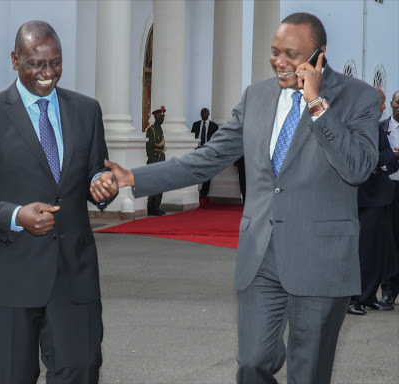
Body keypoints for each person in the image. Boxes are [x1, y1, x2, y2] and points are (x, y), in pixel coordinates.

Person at [93, 12, 380, 384]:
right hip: (261, 256)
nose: (280, 62)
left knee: (308, 373)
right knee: (252, 363)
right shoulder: (257, 97)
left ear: (319, 55)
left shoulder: (357, 98)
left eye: (292, 54)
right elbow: (207, 159)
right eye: (275, 52)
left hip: (321, 260)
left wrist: (317, 105)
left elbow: (357, 168)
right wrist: (133, 177)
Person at [0, 21, 118, 384]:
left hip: (74, 275)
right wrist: (14, 216)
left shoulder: (86, 111)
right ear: (15, 60)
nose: (47, 73)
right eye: (36, 64)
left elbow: (92, 174)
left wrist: (102, 186)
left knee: (81, 371)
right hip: (9, 277)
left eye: (55, 63)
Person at [347, 88, 397, 315]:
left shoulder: (376, 128)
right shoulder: (355, 127)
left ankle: (368, 296)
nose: (384, 107)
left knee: (379, 251)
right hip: (364, 200)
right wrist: (380, 160)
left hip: (382, 198)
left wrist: (381, 161)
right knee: (363, 252)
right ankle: (353, 299)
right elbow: (361, 159)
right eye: (382, 103)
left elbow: (390, 161)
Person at [380, 90, 399, 305]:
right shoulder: (381, 128)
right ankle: (388, 291)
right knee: (389, 242)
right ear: (392, 104)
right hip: (389, 189)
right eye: (397, 102)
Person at [191, 108, 219, 197]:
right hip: (197, 149)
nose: (204, 114)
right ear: (200, 114)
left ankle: (204, 192)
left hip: (208, 150)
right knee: (196, 170)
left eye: (205, 112)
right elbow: (192, 137)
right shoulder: (195, 125)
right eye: (202, 112)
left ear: (209, 114)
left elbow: (216, 140)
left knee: (207, 171)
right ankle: (195, 189)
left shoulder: (214, 126)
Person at [145, 106, 167, 216]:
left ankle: (156, 207)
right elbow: (149, 147)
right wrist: (152, 161)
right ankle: (151, 208)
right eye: (160, 118)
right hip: (155, 160)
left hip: (161, 158)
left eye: (162, 118)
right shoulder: (151, 129)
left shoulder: (160, 129)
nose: (162, 120)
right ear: (155, 118)